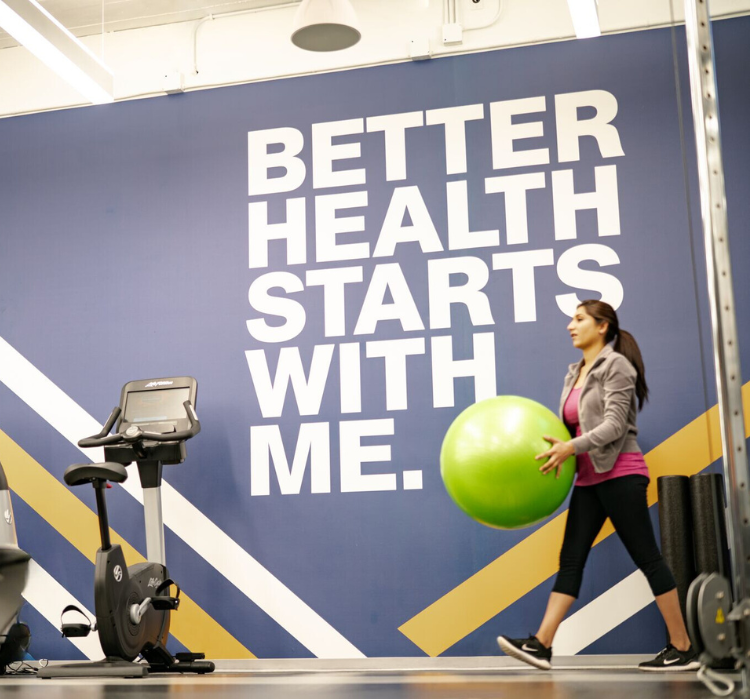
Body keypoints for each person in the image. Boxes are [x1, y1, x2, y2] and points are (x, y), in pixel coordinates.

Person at [497, 300, 700, 672]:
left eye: (578, 319)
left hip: (621, 474)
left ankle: (682, 646)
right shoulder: (574, 372)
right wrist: (564, 453)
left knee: (647, 558)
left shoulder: (617, 366)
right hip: (589, 478)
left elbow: (615, 426)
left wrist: (570, 447)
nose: (570, 326)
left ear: (602, 326)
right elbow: (573, 427)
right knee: (571, 558)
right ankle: (542, 644)